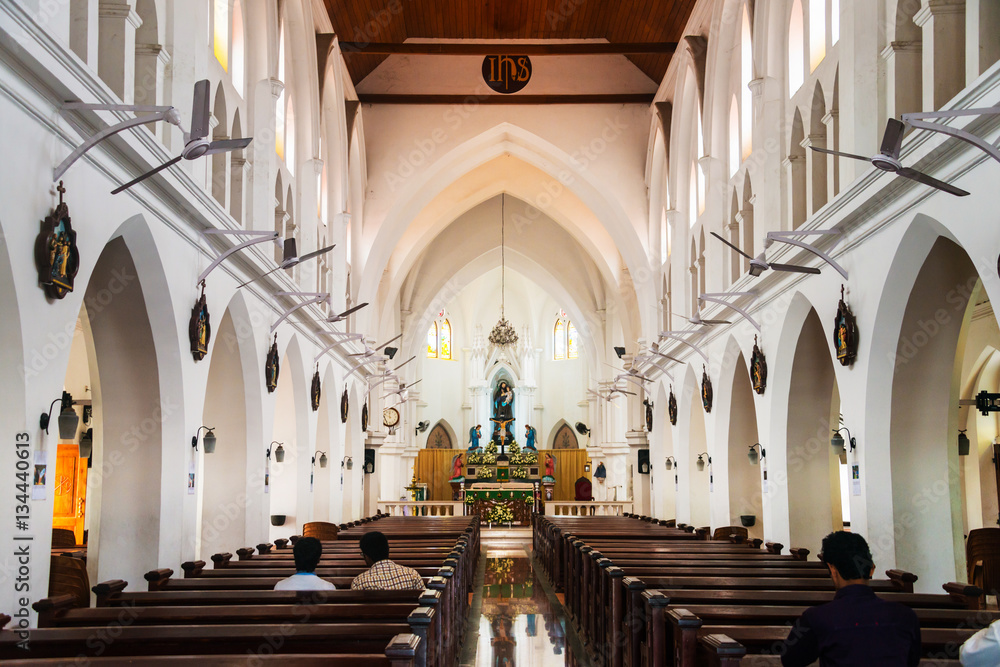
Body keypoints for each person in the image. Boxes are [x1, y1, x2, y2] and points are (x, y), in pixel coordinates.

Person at [779, 531, 920, 667]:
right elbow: (911, 661)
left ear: (833, 570)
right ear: (871, 569)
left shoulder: (817, 618)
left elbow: (790, 660)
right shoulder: (906, 616)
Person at [351, 531, 424, 590]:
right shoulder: (412, 574)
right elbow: (425, 602)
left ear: (366, 556)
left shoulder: (359, 582)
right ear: (387, 550)